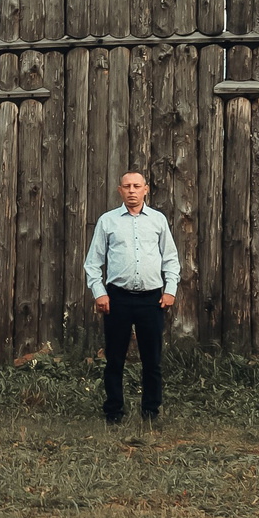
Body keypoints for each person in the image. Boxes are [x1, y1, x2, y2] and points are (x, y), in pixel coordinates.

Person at [83, 169, 180, 424]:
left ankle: (150, 413)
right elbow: (93, 263)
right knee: (114, 359)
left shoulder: (158, 220)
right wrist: (100, 293)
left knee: (152, 360)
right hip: (118, 299)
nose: (132, 191)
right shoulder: (108, 221)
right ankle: (113, 413)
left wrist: (170, 289)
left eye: (137, 186)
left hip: (151, 300)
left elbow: (170, 258)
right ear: (120, 190)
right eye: (127, 186)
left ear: (146, 189)